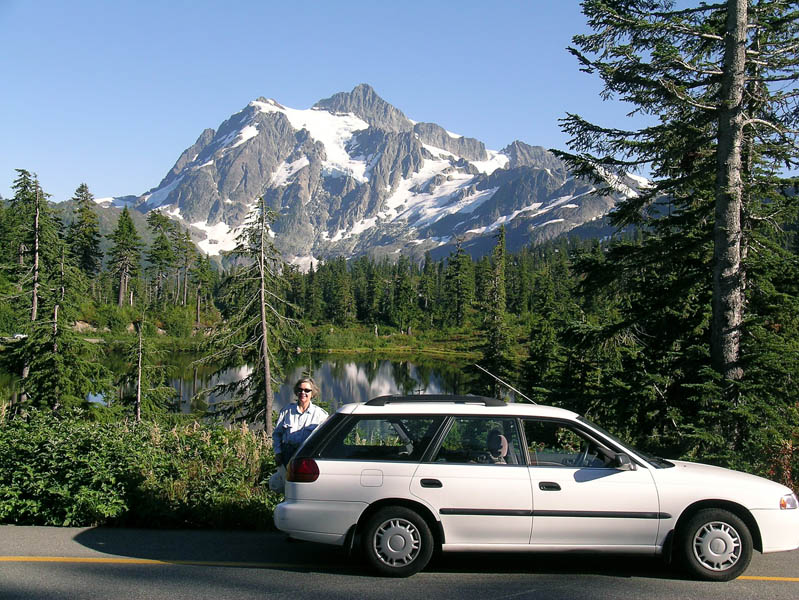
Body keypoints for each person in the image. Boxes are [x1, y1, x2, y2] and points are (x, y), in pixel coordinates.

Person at [273, 377, 328, 468]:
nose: (303, 393)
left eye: (307, 390)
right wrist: (278, 453)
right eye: (300, 389)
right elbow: (277, 434)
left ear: (312, 393)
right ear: (296, 391)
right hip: (287, 454)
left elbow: (325, 438)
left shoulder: (320, 414)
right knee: (286, 481)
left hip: (308, 455)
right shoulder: (286, 411)